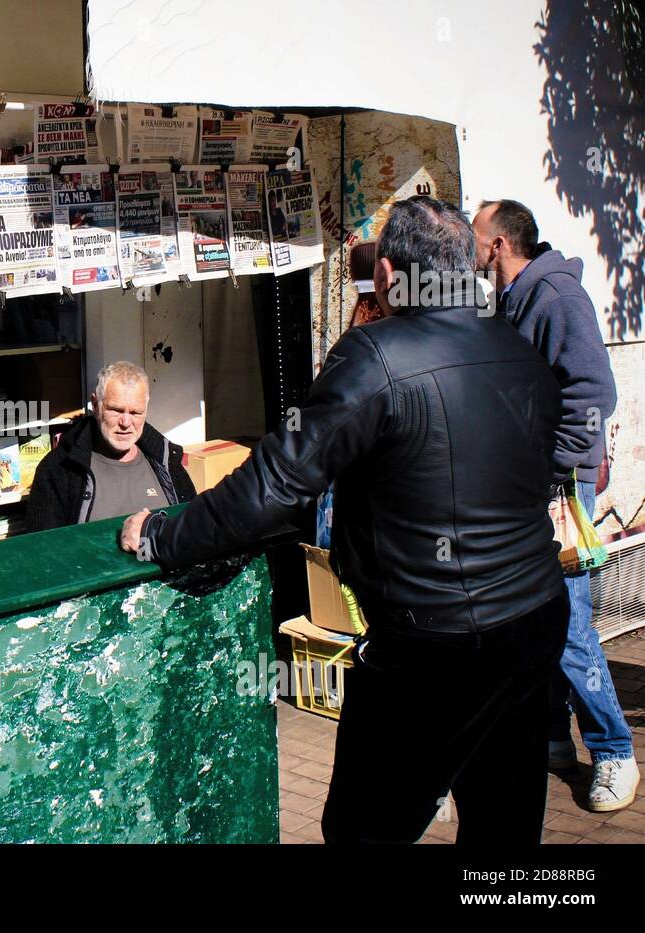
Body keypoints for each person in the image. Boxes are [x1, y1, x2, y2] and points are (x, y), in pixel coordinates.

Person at [122, 196, 569, 844]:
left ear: (387, 275)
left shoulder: (375, 355)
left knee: (364, 828)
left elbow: (274, 484)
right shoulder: (515, 348)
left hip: (432, 644)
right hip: (530, 623)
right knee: (505, 825)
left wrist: (163, 532)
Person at [472, 198, 636, 811]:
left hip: (558, 491)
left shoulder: (558, 297)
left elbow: (596, 389)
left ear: (498, 245)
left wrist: (556, 469)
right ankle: (554, 738)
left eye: (475, 236)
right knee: (535, 618)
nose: (469, 246)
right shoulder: (511, 299)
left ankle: (615, 750)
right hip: (527, 489)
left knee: (565, 622)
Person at [27, 361, 195, 531]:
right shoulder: (59, 469)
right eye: (116, 410)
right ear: (95, 405)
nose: (126, 423)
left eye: (136, 412)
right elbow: (43, 549)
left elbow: (191, 532)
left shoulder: (167, 463)